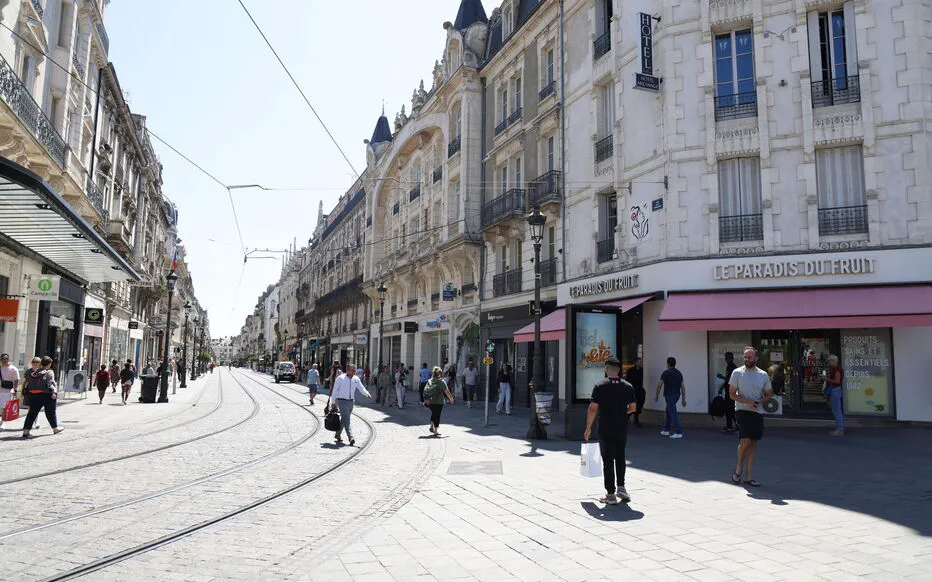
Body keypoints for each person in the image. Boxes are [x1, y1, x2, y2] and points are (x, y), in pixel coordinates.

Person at [584, 357, 637, 504]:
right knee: (620, 457)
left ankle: (610, 494)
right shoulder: (628, 386)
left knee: (608, 460)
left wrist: (588, 427)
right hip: (621, 428)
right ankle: (621, 487)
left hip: (606, 428)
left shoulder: (600, 386)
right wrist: (621, 413)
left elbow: (593, 408)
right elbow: (633, 408)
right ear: (619, 370)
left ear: (606, 369)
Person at [729, 347, 773, 487]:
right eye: (745, 357)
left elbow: (768, 394)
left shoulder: (763, 375)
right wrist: (747, 402)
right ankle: (738, 469)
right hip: (742, 411)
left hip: (757, 412)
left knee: (753, 443)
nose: (746, 359)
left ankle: (749, 476)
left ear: (756, 358)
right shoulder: (737, 373)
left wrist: (760, 402)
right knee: (745, 442)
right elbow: (732, 394)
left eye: (749, 357)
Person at [329, 364, 371, 446]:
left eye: (355, 370)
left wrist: (367, 394)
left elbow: (361, 387)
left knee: (344, 419)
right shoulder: (340, 378)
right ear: (347, 370)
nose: (354, 372)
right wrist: (333, 402)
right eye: (353, 370)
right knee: (347, 420)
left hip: (351, 401)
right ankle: (351, 437)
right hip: (342, 401)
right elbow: (334, 391)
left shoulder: (356, 379)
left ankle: (337, 434)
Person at [21, 356, 63, 438]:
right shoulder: (49, 372)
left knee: (32, 413)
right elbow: (50, 383)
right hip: (47, 395)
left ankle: (26, 430)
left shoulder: (35, 372)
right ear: (49, 364)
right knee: (50, 412)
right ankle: (55, 428)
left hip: (34, 395)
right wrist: (54, 392)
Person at [654, 357, 686, 439]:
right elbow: (683, 387)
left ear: (668, 364)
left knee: (673, 412)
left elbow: (659, 385)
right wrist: (683, 399)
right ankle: (666, 430)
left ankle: (678, 432)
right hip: (677, 395)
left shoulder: (666, 373)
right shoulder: (679, 373)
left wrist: (656, 395)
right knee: (668, 410)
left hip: (669, 395)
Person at [423, 366, 455, 435]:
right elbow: (447, 392)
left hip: (430, 401)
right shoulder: (441, 382)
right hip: (438, 402)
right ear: (440, 374)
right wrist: (451, 399)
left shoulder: (430, 381)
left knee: (434, 413)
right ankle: (436, 430)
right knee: (437, 415)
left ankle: (431, 426)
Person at [717, 352, 739, 434]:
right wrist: (722, 388)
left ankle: (737, 427)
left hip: (731, 392)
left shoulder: (733, 367)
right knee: (728, 410)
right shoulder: (729, 367)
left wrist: (721, 377)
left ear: (732, 358)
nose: (727, 359)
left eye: (729, 358)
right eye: (726, 358)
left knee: (731, 410)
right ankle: (729, 426)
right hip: (728, 391)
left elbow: (731, 380)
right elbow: (727, 380)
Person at [824, 354, 844, 436]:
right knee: (836, 409)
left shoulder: (837, 369)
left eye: (829, 361)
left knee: (836, 410)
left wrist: (826, 379)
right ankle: (839, 427)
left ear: (833, 361)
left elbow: (837, 381)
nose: (828, 363)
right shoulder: (836, 369)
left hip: (835, 390)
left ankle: (840, 429)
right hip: (836, 390)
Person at [0, 353, 20, 429]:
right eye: (3, 359)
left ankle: (3, 422)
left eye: (6, 358)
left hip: (7, 391)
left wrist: (15, 389)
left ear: (8, 359)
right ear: (0, 360)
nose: (4, 360)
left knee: (4, 407)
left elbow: (16, 380)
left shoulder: (13, 368)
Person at [624, 357, 645, 427]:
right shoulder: (631, 371)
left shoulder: (642, 371)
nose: (641, 363)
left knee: (639, 404)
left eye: (641, 362)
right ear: (636, 363)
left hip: (639, 390)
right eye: (639, 362)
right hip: (633, 390)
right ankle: (634, 420)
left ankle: (629, 417)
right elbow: (627, 381)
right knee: (635, 405)